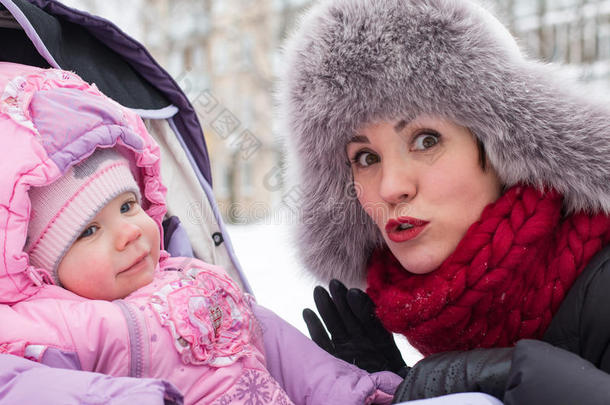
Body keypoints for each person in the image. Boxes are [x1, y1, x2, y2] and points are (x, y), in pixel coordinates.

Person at [0, 61, 401, 404]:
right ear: (38, 267)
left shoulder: (197, 278)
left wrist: (352, 391)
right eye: (88, 231)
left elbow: (282, 350)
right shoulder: (49, 327)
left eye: (127, 206)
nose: (127, 232)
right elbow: (22, 387)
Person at [279, 0, 610, 403]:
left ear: (506, 150)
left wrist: (525, 379)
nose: (391, 187)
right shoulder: (434, 323)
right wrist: (397, 391)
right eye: (366, 158)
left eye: (425, 140)